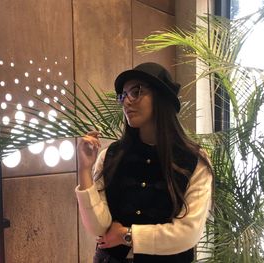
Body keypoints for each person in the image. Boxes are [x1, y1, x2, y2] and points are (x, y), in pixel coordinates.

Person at [75, 62, 213, 263]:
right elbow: (99, 228)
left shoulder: (194, 160)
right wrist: (84, 170)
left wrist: (127, 235)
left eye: (136, 91)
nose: (126, 102)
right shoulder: (111, 155)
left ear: (161, 97)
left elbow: (188, 232)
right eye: (123, 95)